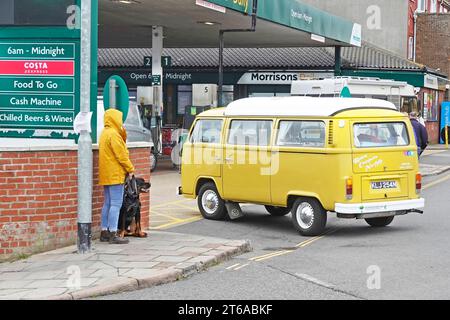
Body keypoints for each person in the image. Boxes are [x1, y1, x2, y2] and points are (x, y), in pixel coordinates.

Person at [99, 108, 135, 244]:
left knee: (107, 203)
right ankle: (113, 232)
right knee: (116, 203)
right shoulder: (114, 135)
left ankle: (104, 231)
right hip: (115, 174)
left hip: (106, 174)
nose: (121, 122)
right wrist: (130, 168)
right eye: (120, 119)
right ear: (115, 119)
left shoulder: (104, 133)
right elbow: (121, 155)